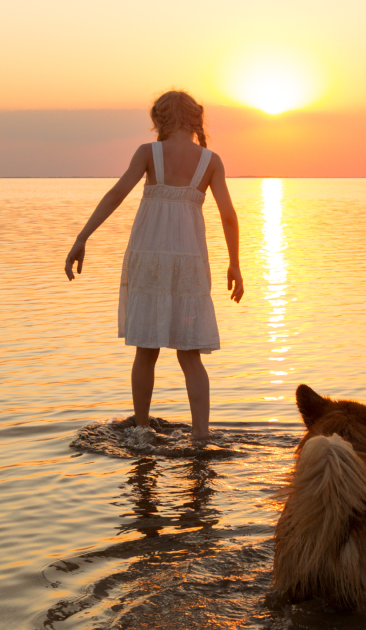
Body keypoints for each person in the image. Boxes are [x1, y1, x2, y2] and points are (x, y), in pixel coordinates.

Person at [66, 90, 244, 444]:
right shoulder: (210, 160)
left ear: (159, 120)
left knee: (145, 351)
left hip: (149, 257)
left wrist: (82, 237)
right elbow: (228, 215)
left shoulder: (148, 153)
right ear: (196, 119)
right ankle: (200, 435)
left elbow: (116, 194)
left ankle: (142, 429)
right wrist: (235, 264)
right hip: (189, 261)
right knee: (190, 356)